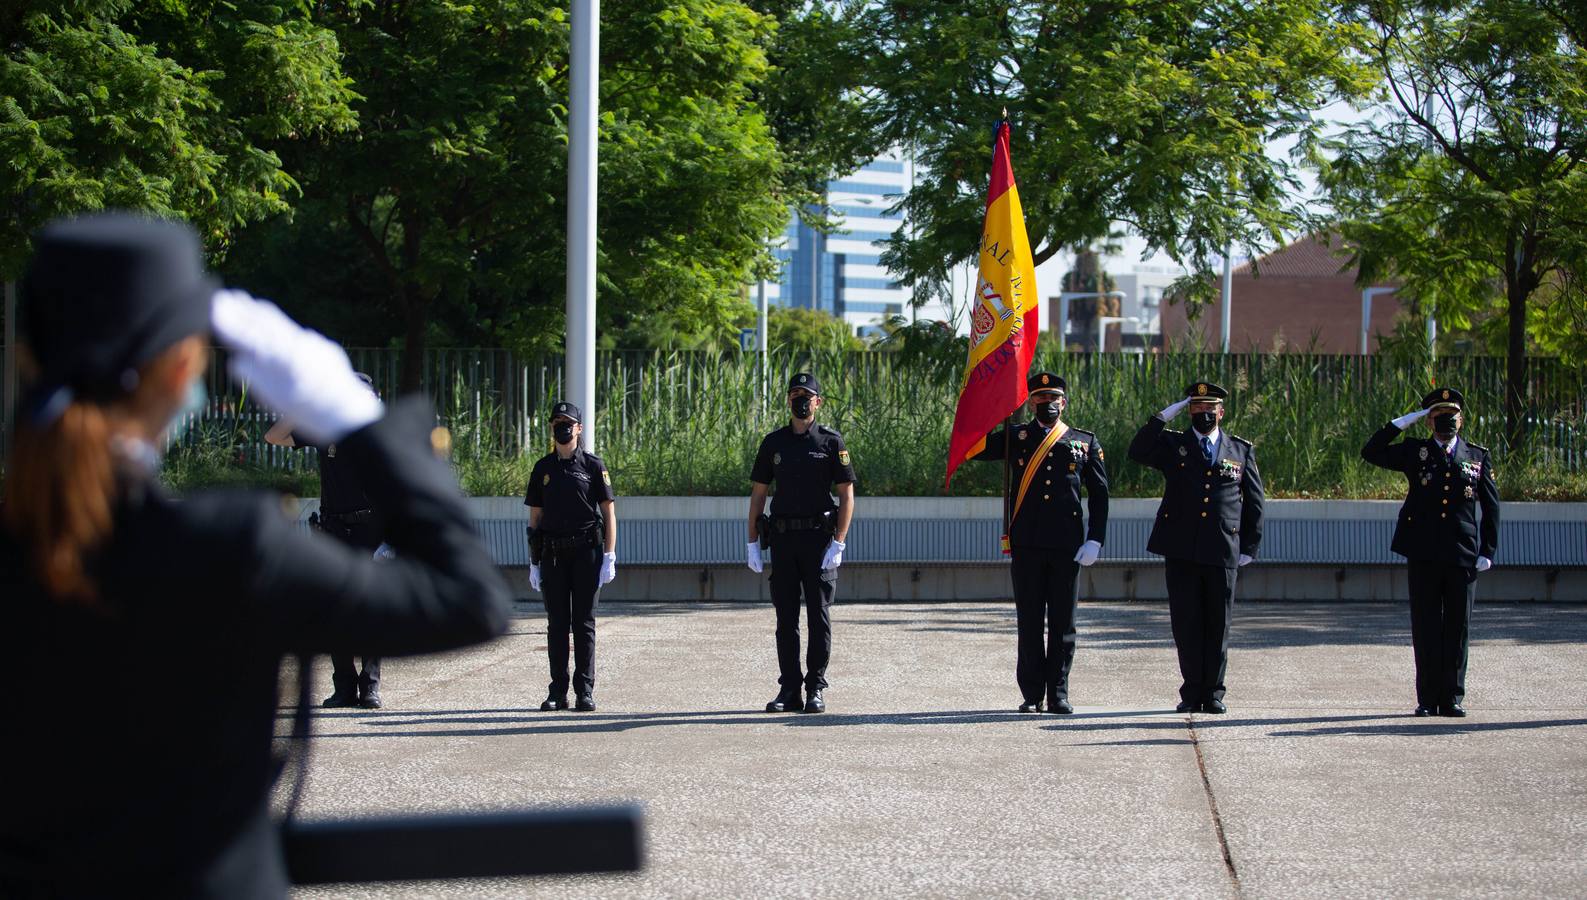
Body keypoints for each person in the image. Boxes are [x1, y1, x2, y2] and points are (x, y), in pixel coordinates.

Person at [0, 213, 511, 899]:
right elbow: (469, 599)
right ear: (183, 366)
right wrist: (358, 420)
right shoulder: (230, 550)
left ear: (24, 358)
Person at [970, 372, 1109, 714]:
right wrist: (989, 407)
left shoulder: (1083, 441)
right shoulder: (1016, 436)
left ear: (1065, 402)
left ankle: (1058, 692)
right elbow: (974, 449)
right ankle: (1032, 693)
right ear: (1030, 401)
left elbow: (1101, 495)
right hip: (1027, 543)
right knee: (1030, 620)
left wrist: (1095, 539)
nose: (1048, 404)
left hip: (1067, 545)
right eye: (1040, 398)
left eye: (1054, 398)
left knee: (1063, 621)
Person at [1361, 387, 1499, 717]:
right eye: (1438, 416)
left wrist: (1487, 550)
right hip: (1423, 551)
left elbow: (1491, 507)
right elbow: (1371, 451)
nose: (1445, 421)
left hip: (1462, 553)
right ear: (1429, 422)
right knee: (1425, 627)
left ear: (1461, 420)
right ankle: (1426, 698)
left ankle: (1451, 697)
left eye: (1451, 416)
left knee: (1457, 627)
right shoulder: (1415, 451)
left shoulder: (1476, 457)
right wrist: (1400, 423)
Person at [1128, 381, 1264, 714]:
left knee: (1218, 625)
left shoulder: (1239, 450)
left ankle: (1214, 692)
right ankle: (1191, 691)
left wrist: (1249, 544)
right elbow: (1138, 450)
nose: (1203, 413)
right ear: (1188, 411)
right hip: (1182, 547)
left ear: (1221, 411)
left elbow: (1255, 500)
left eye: (1209, 408)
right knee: (1186, 623)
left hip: (1222, 546)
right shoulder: (1174, 444)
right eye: (1196, 408)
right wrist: (1164, 414)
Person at [264, 373, 387, 708]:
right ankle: (344, 686)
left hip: (369, 530)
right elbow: (274, 436)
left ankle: (370, 686)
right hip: (333, 528)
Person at [747, 372, 856, 714]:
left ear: (818, 402)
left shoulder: (830, 443)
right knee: (785, 618)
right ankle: (790, 689)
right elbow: (758, 495)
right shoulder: (773, 443)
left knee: (818, 617)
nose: (800, 399)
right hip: (782, 540)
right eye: (795, 393)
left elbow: (847, 495)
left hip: (819, 542)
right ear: (788, 399)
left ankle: (815, 688)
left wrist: (839, 541)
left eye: (807, 394)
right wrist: (751, 541)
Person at [525, 401, 617, 712]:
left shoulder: (592, 465)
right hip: (552, 554)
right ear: (551, 428)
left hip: (586, 553)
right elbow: (534, 519)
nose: (562, 428)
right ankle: (557, 690)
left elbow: (609, 512)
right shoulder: (543, 469)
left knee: (584, 623)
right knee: (557, 625)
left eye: (568, 423)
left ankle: (585, 690)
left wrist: (610, 555)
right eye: (557, 423)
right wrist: (533, 561)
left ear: (579, 428)